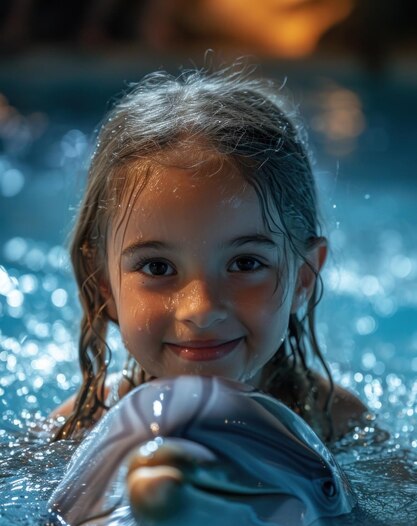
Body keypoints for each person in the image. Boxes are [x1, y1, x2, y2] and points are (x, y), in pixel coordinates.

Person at [51, 63, 367, 444]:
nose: (200, 309)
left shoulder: (341, 426)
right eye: (157, 267)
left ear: (302, 277)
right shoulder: (79, 431)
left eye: (245, 263)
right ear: (103, 284)